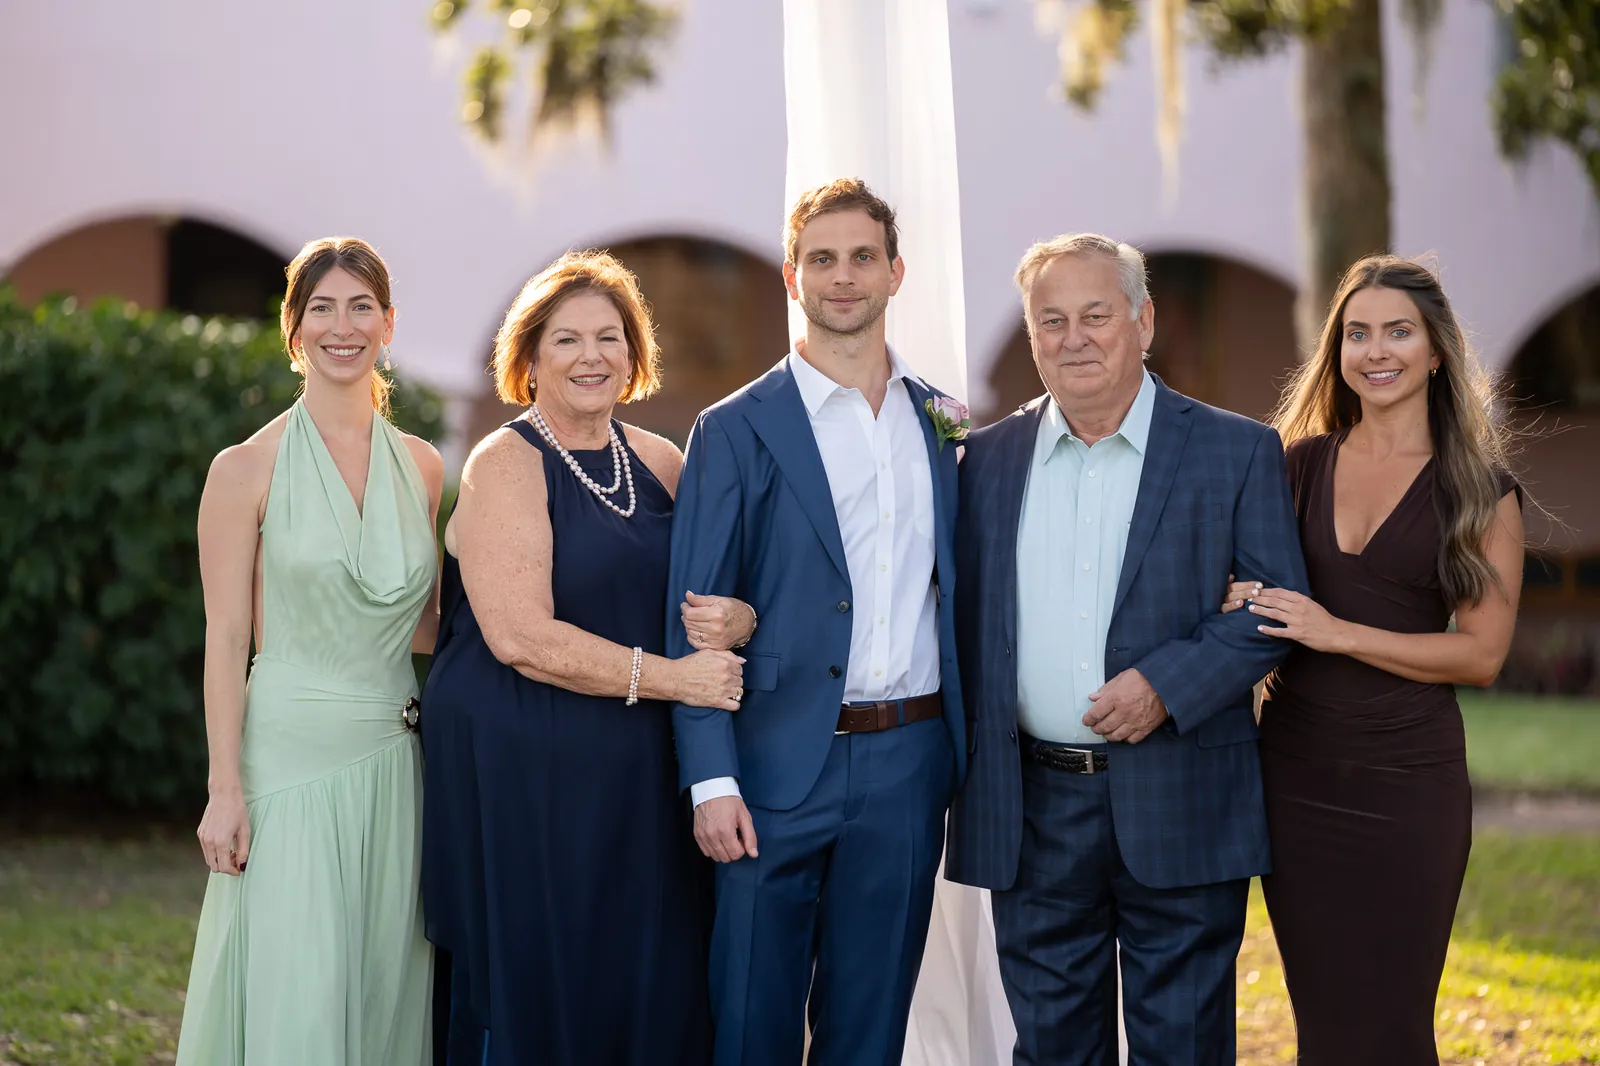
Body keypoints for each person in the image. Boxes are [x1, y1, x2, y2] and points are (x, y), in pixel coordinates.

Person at [945, 233, 1309, 1065]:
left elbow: (1275, 611)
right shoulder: (984, 462)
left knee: (1183, 1046)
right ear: (1032, 335)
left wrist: (1164, 686)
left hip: (1182, 794)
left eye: (1096, 316)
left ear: (1143, 323)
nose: (1073, 338)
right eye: (1051, 320)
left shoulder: (1236, 450)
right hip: (1031, 808)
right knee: (1052, 1050)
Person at [418, 250, 750, 1066]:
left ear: (634, 355)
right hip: (527, 765)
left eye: (609, 337)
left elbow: (719, 593)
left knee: (647, 966)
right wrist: (675, 680)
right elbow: (520, 638)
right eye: (566, 339)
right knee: (548, 971)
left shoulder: (663, 461)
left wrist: (738, 618)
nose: (591, 356)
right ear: (529, 358)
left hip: (638, 766)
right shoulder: (505, 462)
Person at [667, 178, 967, 1066]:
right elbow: (694, 618)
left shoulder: (943, 420)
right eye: (822, 259)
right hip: (771, 765)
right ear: (791, 277)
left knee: (870, 1029)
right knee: (751, 1021)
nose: (844, 277)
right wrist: (711, 780)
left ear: (895, 272)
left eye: (863, 257)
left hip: (909, 762)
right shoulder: (734, 427)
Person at [1219, 254, 1524, 1064]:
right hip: (1296, 777)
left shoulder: (1480, 491)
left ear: (1436, 351)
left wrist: (1339, 632)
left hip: (1408, 784)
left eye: (1398, 332)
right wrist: (1237, 597)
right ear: (1337, 350)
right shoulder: (1295, 464)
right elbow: (1247, 595)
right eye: (1357, 333)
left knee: (1393, 1025)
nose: (1376, 351)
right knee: (1323, 1023)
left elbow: (1482, 655)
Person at [177, 236, 444, 1065]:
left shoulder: (424, 467)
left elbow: (426, 626)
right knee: (300, 994)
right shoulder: (243, 470)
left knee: (380, 986)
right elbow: (226, 639)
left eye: (361, 307)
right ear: (294, 331)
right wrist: (225, 788)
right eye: (322, 308)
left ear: (389, 323)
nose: (343, 326)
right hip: (288, 765)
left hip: (396, 764)